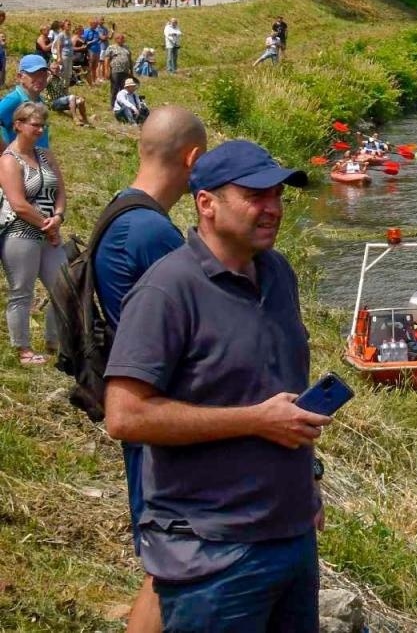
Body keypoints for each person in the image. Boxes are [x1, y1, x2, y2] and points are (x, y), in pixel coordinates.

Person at [104, 140, 323, 632]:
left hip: (290, 537)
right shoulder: (167, 290)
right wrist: (255, 421)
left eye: (278, 196)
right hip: (213, 553)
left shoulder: (278, 274)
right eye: (255, 195)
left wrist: (308, 482)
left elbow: (277, 389)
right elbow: (125, 416)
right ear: (206, 204)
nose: (272, 208)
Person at [92, 106, 208, 633]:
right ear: (194, 159)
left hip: (141, 391)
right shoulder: (152, 235)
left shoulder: (122, 209)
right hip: (160, 407)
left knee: (163, 554)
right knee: (170, 553)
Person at [1, 101, 66, 366]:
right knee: (21, 292)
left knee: (64, 287)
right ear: (18, 125)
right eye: (34, 124)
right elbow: (18, 204)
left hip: (49, 233)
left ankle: (55, 340)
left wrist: (58, 217)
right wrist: (47, 225)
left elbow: (61, 192)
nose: (39, 130)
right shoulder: (8, 160)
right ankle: (23, 350)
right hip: (20, 234)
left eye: (43, 125)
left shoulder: (46, 155)